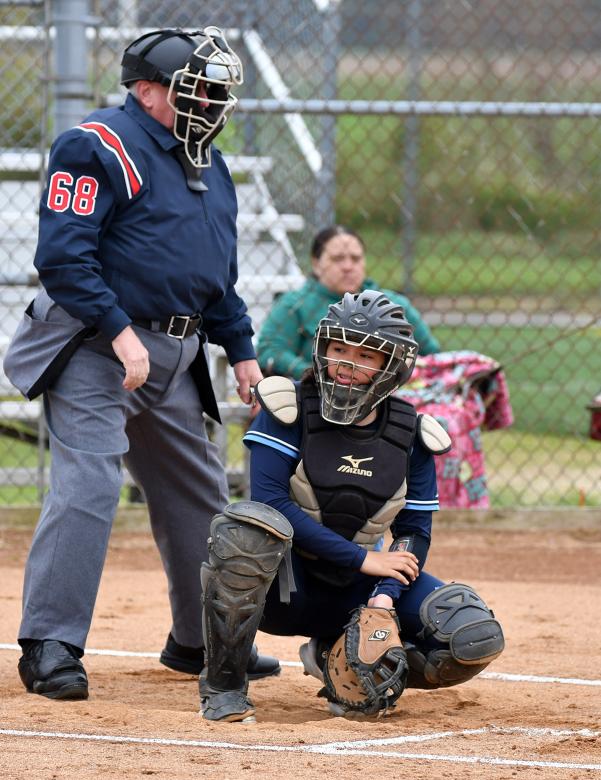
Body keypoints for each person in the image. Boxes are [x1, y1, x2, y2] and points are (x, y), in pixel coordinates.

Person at [3, 26, 279, 700]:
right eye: (199, 89)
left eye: (217, 92)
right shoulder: (97, 145)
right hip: (98, 349)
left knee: (202, 500)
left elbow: (217, 278)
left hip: (177, 354)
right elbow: (64, 259)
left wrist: (242, 353)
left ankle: (200, 642)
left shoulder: (207, 165)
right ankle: (50, 644)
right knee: (90, 486)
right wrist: (120, 331)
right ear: (149, 91)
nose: (212, 102)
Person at [199, 289, 505, 722]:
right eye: (338, 348)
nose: (346, 363)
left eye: (366, 355)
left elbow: (415, 530)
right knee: (247, 530)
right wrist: (364, 560)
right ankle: (224, 686)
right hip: (286, 587)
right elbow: (271, 502)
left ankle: (340, 659)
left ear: (392, 366)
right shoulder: (288, 408)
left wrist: (384, 597)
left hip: (358, 592)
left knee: (472, 636)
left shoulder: (411, 433)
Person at [256, 225, 440, 379]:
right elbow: (270, 350)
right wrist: (319, 374)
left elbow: (433, 356)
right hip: (315, 396)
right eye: (337, 259)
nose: (348, 266)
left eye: (356, 258)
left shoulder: (394, 304)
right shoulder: (295, 305)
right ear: (316, 264)